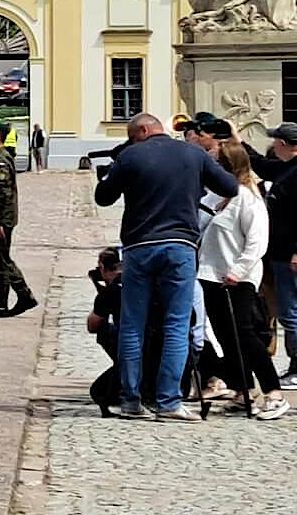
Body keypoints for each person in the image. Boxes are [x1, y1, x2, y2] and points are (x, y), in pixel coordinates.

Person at [92, 112, 238, 421]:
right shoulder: (193, 153)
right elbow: (230, 186)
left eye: (132, 136)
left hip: (139, 247)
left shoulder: (130, 156)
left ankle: (131, 401)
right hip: (180, 246)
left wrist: (117, 172)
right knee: (176, 324)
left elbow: (103, 197)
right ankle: (168, 401)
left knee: (132, 324)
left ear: (143, 130)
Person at [195, 140, 288, 420]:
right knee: (225, 336)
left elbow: (257, 242)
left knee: (244, 334)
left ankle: (274, 391)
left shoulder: (248, 198)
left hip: (238, 277)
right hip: (211, 275)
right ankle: (241, 388)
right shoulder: (218, 197)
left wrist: (238, 270)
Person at [251, 121, 297, 390]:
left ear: (282, 144)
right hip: (286, 251)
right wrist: (237, 142)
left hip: (292, 253)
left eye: (275, 142)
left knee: (293, 311)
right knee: (291, 310)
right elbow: (264, 167)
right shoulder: (293, 167)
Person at [0, 120, 36, 318]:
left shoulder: (0, 159)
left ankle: (24, 295)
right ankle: (0, 303)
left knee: (2, 260)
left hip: (1, 219)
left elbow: (2, 194)